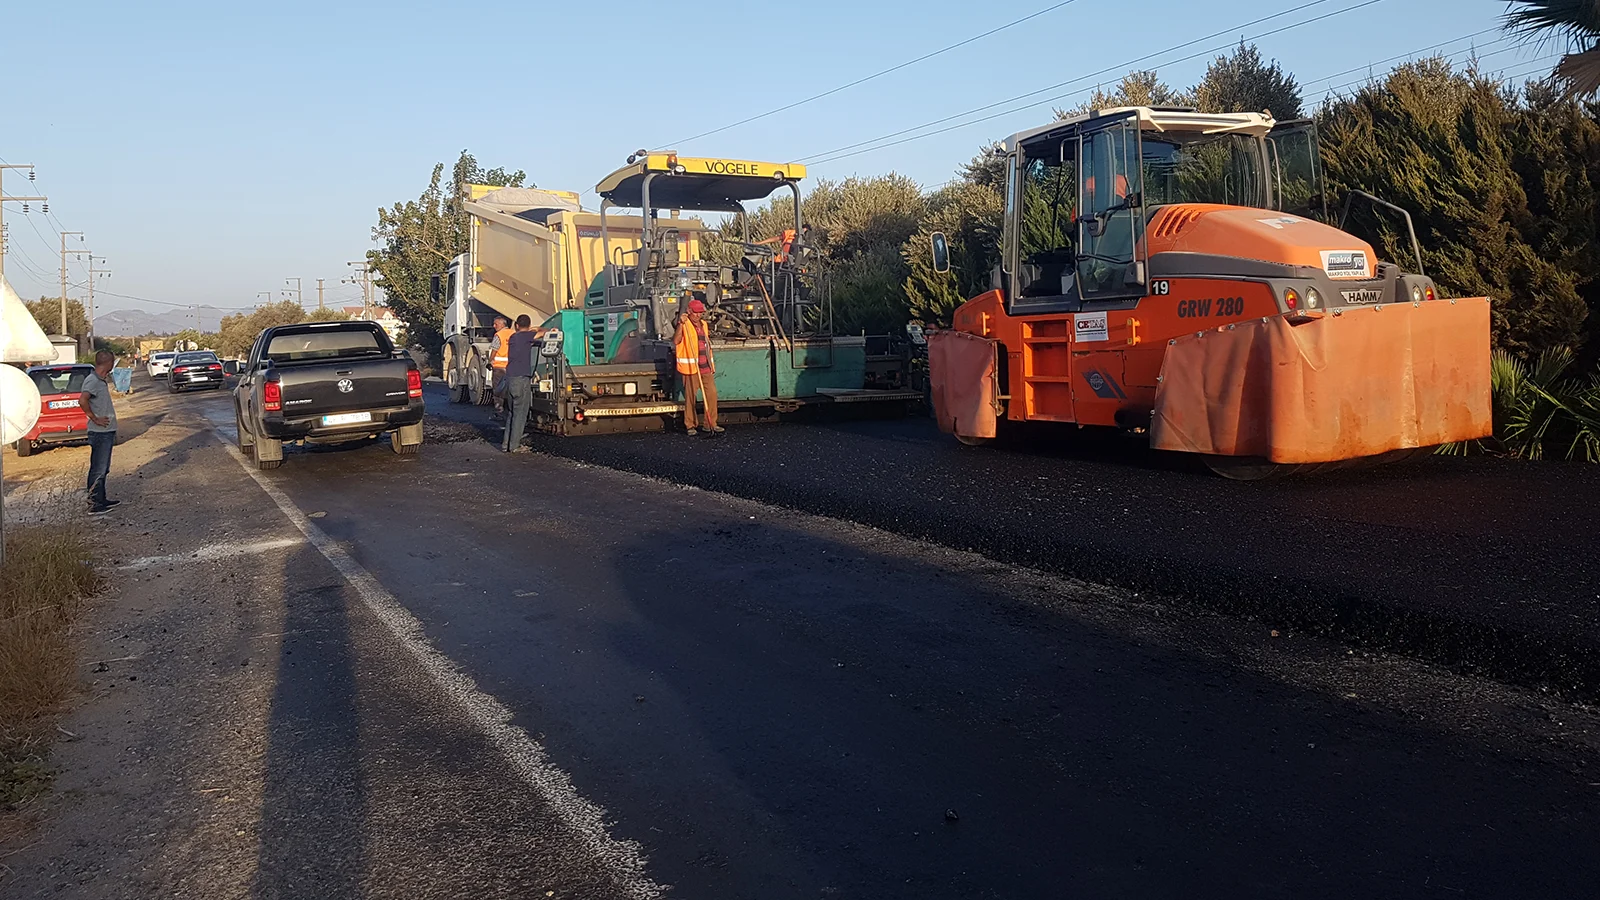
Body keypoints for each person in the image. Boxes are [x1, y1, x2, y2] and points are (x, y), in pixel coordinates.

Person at [79, 350, 121, 515]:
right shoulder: (92, 380)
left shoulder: (100, 380)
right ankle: (94, 504)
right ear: (109, 363)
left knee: (103, 468)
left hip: (106, 431)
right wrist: (94, 418)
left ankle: (101, 499)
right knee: (98, 468)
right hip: (99, 433)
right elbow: (82, 400)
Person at [674, 299, 721, 436]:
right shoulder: (684, 324)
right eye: (696, 312)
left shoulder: (704, 325)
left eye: (700, 312)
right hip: (691, 368)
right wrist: (680, 325)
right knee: (690, 398)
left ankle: (710, 424)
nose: (698, 315)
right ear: (689, 311)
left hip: (705, 367)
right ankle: (690, 425)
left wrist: (711, 365)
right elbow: (676, 341)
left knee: (712, 395)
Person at [501, 315, 540, 453]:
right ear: (528, 326)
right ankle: (515, 446)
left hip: (510, 378)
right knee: (520, 413)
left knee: (512, 413)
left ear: (517, 325)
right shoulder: (527, 336)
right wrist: (538, 328)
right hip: (521, 380)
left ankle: (506, 444)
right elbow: (545, 332)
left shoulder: (513, 337)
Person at [487, 315, 513, 417]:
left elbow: (495, 349)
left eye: (496, 324)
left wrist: (490, 361)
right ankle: (510, 409)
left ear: (502, 324)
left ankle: (499, 410)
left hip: (499, 367)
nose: (494, 326)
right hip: (511, 367)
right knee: (510, 389)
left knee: (498, 389)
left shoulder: (499, 335)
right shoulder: (513, 333)